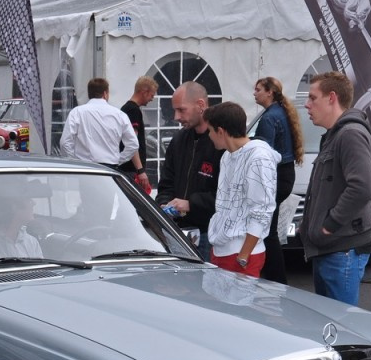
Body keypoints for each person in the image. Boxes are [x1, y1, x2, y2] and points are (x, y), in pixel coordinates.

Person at [299, 71, 371, 305]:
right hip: (331, 248)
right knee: (328, 320)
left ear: (331, 97)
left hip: (342, 249)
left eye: (313, 98)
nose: (307, 104)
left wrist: (330, 224)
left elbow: (362, 187)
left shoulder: (350, 135)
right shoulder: (335, 135)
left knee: (342, 322)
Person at [205, 102, 279, 277]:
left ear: (220, 131)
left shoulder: (259, 158)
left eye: (210, 130)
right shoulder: (227, 156)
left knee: (239, 297)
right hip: (222, 248)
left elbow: (262, 210)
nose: (209, 135)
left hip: (242, 254)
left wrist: (244, 255)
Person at [155, 81, 222, 261]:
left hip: (209, 233)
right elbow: (166, 182)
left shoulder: (221, 143)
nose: (176, 116)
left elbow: (229, 196)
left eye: (181, 110)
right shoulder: (178, 140)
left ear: (200, 105)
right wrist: (163, 204)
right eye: (175, 110)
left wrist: (191, 203)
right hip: (177, 232)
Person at [252, 76, 303, 284]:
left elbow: (263, 153)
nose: (254, 93)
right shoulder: (280, 112)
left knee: (267, 232)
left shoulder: (269, 118)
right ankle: (276, 279)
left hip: (277, 175)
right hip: (285, 174)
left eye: (258, 89)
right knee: (269, 230)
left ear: (269, 92)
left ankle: (276, 280)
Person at [58, 78, 138, 169]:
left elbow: (65, 143)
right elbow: (133, 144)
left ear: (89, 94)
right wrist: (118, 160)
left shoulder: (77, 112)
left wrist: (74, 161)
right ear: (105, 94)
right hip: (110, 167)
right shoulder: (120, 115)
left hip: (83, 167)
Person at [118, 76, 158, 194]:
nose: (152, 99)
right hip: (131, 171)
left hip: (127, 169)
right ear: (144, 92)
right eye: (151, 95)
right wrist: (140, 171)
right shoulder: (133, 111)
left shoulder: (126, 109)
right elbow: (132, 142)